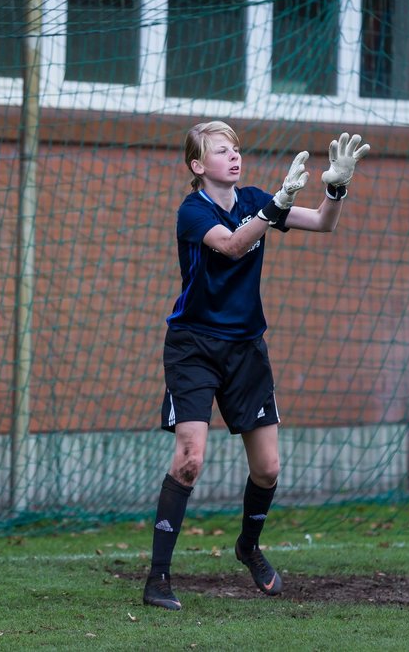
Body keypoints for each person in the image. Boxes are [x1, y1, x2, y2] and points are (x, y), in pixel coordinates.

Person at [143, 121, 370, 611]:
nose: (234, 156)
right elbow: (231, 244)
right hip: (194, 347)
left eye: (236, 149)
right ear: (198, 166)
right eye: (221, 151)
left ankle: (247, 546)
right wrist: (275, 205)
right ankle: (158, 579)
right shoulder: (192, 211)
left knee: (267, 469)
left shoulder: (254, 199)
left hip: (247, 349)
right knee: (190, 458)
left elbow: (324, 223)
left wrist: (336, 186)